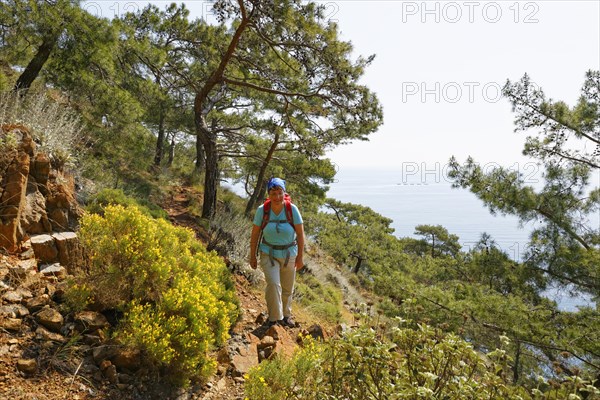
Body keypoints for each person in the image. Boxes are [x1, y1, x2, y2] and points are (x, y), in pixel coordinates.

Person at [250, 177, 304, 327]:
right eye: (273, 193)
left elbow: (300, 234)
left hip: (289, 254)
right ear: (269, 194)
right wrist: (252, 255)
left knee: (287, 288)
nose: (277, 197)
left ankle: (286, 316)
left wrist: (300, 257)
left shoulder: (292, 210)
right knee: (273, 284)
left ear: (284, 193)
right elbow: (255, 234)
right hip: (268, 253)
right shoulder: (263, 211)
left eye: (280, 193)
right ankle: (274, 319)